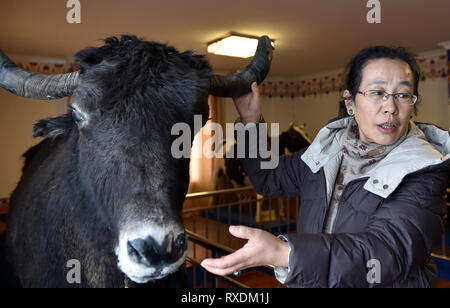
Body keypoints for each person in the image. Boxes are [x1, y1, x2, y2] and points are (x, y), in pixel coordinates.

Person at [200, 46, 450, 287]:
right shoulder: (325, 151)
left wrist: (286, 253)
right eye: (377, 92)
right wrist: (250, 120)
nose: (390, 107)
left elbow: (384, 254)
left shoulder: (424, 167)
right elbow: (269, 177)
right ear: (350, 102)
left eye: (403, 95)